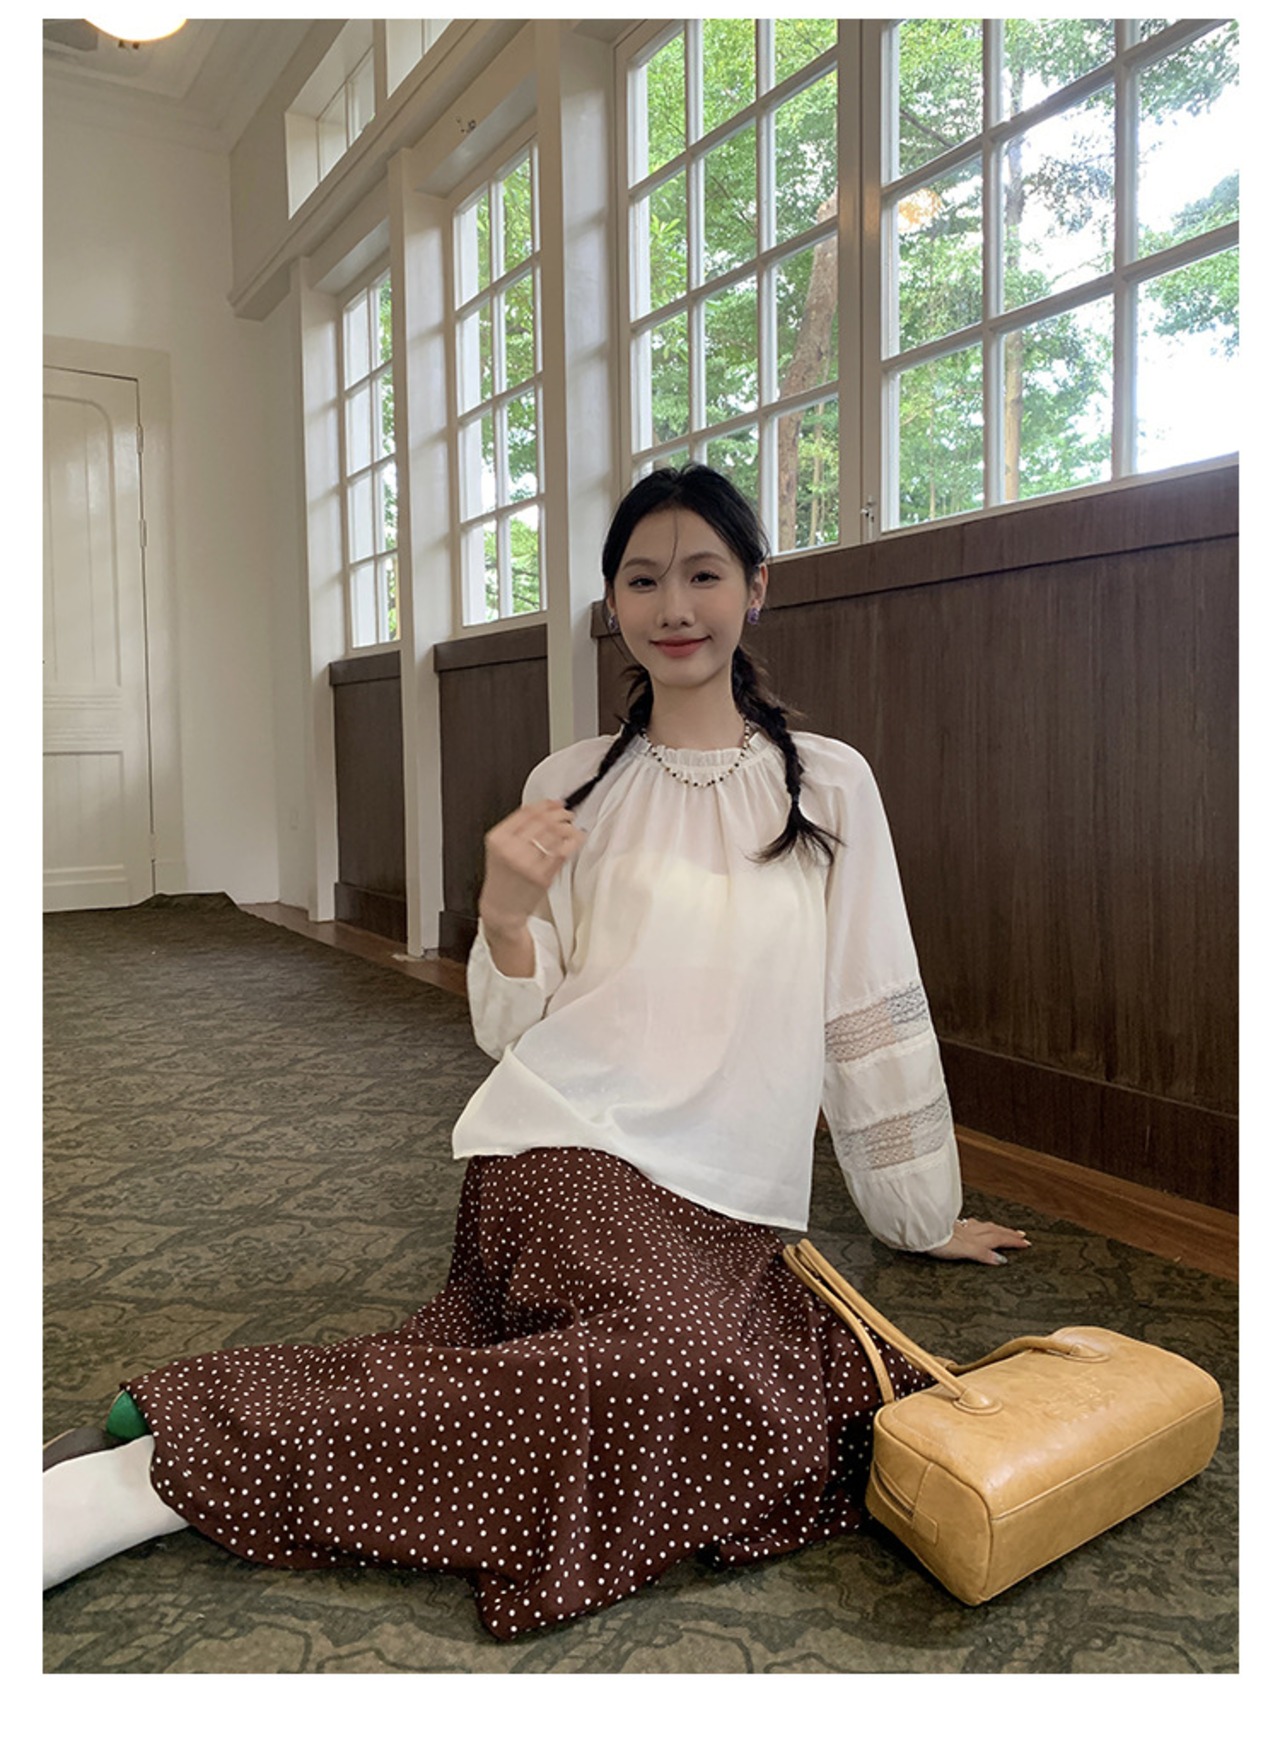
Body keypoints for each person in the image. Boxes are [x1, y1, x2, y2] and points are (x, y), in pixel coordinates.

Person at [43, 463, 1028, 1636]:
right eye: (642, 580)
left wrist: (916, 1213)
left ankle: (180, 1418)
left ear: (755, 588)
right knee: (684, 1369)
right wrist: (504, 912)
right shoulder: (567, 785)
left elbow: (868, 1003)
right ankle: (140, 1489)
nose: (674, 606)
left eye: (703, 575)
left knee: (776, 1395)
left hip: (726, 1198)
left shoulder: (829, 786)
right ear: (611, 603)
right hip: (564, 1150)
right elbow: (514, 1030)